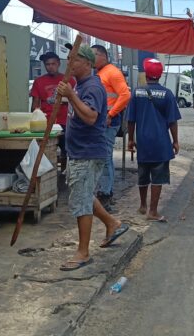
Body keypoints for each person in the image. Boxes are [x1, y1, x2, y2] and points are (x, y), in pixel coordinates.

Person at [55, 45, 129, 271]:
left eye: (74, 60)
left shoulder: (93, 86)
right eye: (68, 59)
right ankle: (112, 223)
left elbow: (90, 117)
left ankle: (83, 252)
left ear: (87, 63)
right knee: (84, 194)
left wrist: (69, 96)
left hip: (87, 152)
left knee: (80, 201)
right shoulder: (80, 85)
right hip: (80, 151)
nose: (69, 64)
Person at [127, 58, 181, 222]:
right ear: (160, 74)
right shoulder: (167, 94)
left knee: (143, 174)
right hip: (161, 142)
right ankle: (153, 211)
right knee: (157, 177)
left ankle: (143, 205)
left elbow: (131, 119)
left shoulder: (136, 92)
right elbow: (172, 121)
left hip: (143, 142)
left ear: (146, 74)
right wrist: (175, 141)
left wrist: (131, 139)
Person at [92, 44, 131, 211]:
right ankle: (104, 191)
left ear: (103, 56)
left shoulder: (112, 72)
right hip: (103, 120)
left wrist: (110, 114)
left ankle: (106, 194)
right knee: (102, 156)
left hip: (109, 121)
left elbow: (125, 95)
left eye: (94, 55)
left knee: (105, 156)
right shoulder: (101, 73)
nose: (91, 58)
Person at [30, 51, 75, 167]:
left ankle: (65, 174)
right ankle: (49, 175)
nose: (50, 67)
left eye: (53, 64)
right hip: (46, 122)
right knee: (46, 150)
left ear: (59, 64)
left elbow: (75, 101)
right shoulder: (39, 82)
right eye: (47, 64)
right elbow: (35, 103)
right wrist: (33, 118)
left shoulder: (69, 80)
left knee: (67, 150)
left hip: (65, 121)